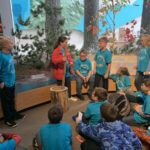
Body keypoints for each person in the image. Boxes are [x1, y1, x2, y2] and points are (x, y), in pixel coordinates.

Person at [76, 103, 142, 150]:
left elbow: (84, 129)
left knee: (86, 145)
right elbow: (138, 144)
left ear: (102, 117)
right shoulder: (125, 126)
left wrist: (79, 122)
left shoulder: (99, 129)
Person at [0, 36, 25, 127]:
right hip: (5, 83)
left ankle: (14, 114)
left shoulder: (9, 53)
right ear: (5, 46)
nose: (12, 44)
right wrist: (1, 81)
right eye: (10, 43)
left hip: (11, 81)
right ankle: (8, 119)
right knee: (6, 102)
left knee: (11, 99)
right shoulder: (1, 56)